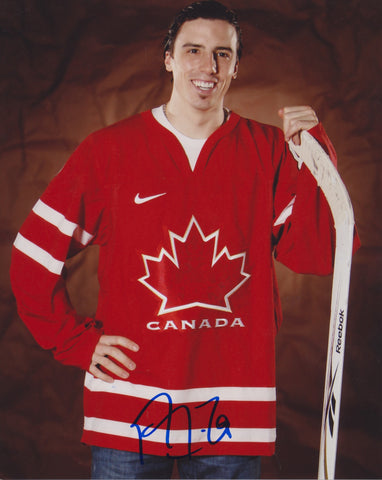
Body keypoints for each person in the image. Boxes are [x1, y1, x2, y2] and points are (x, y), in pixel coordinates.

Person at [10, 1, 358, 478]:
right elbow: (33, 252)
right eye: (193, 50)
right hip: (130, 408)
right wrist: (73, 340)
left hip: (231, 411)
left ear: (236, 66)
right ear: (169, 58)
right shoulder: (110, 151)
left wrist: (319, 159)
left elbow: (322, 255)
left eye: (222, 54)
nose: (207, 66)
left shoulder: (270, 152)